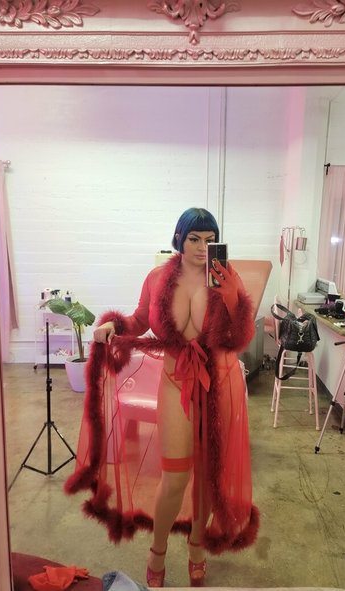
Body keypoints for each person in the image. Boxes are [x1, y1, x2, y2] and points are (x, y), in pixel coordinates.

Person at [64, 207, 259, 588]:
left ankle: (197, 547)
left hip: (218, 383)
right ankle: (157, 550)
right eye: (194, 239)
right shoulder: (157, 278)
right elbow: (140, 319)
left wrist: (233, 298)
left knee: (208, 476)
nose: (202, 247)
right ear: (179, 239)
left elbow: (242, 336)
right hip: (175, 381)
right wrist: (113, 324)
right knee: (175, 475)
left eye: (210, 240)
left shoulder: (226, 276)